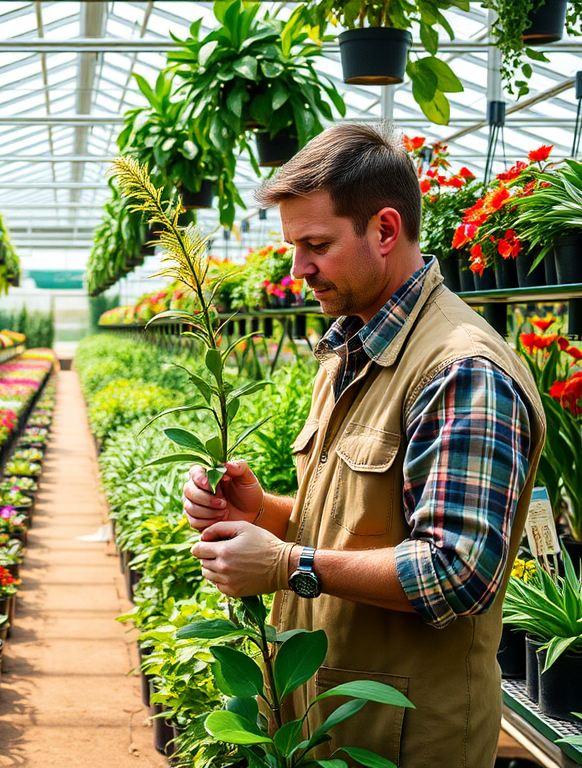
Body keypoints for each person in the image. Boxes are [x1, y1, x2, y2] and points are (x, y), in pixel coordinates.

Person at [181, 123, 546, 768]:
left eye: (316, 245)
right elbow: (353, 526)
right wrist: (261, 511)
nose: (299, 270)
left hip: (406, 735)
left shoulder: (460, 371)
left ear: (383, 230)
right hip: (336, 720)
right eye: (294, 248)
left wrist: (288, 565)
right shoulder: (351, 347)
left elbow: (457, 571)